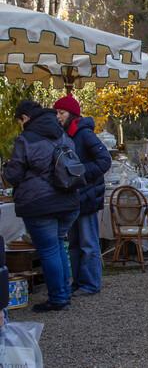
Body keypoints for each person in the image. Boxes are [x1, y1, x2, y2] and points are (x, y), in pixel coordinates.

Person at [2, 101, 80, 312]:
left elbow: (13, 175)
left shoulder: (26, 139)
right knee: (58, 245)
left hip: (40, 203)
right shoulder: (62, 134)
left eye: (19, 120)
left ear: (25, 117)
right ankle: (64, 292)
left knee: (49, 250)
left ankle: (58, 298)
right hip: (68, 200)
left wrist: (6, 169)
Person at [53, 95, 111, 296]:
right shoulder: (63, 135)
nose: (58, 116)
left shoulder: (85, 134)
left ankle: (91, 283)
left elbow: (104, 160)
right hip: (72, 197)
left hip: (87, 195)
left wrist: (80, 173)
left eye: (61, 112)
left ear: (72, 114)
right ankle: (78, 282)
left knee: (88, 243)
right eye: (56, 112)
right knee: (74, 244)